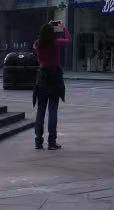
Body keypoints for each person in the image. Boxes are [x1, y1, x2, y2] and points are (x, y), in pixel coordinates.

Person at [32, 20, 71, 150]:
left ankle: (38, 141)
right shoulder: (56, 43)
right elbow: (68, 40)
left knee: (40, 111)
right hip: (55, 78)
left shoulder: (38, 44)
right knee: (53, 111)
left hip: (42, 78)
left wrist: (48, 25)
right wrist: (63, 27)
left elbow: (36, 48)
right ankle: (52, 142)